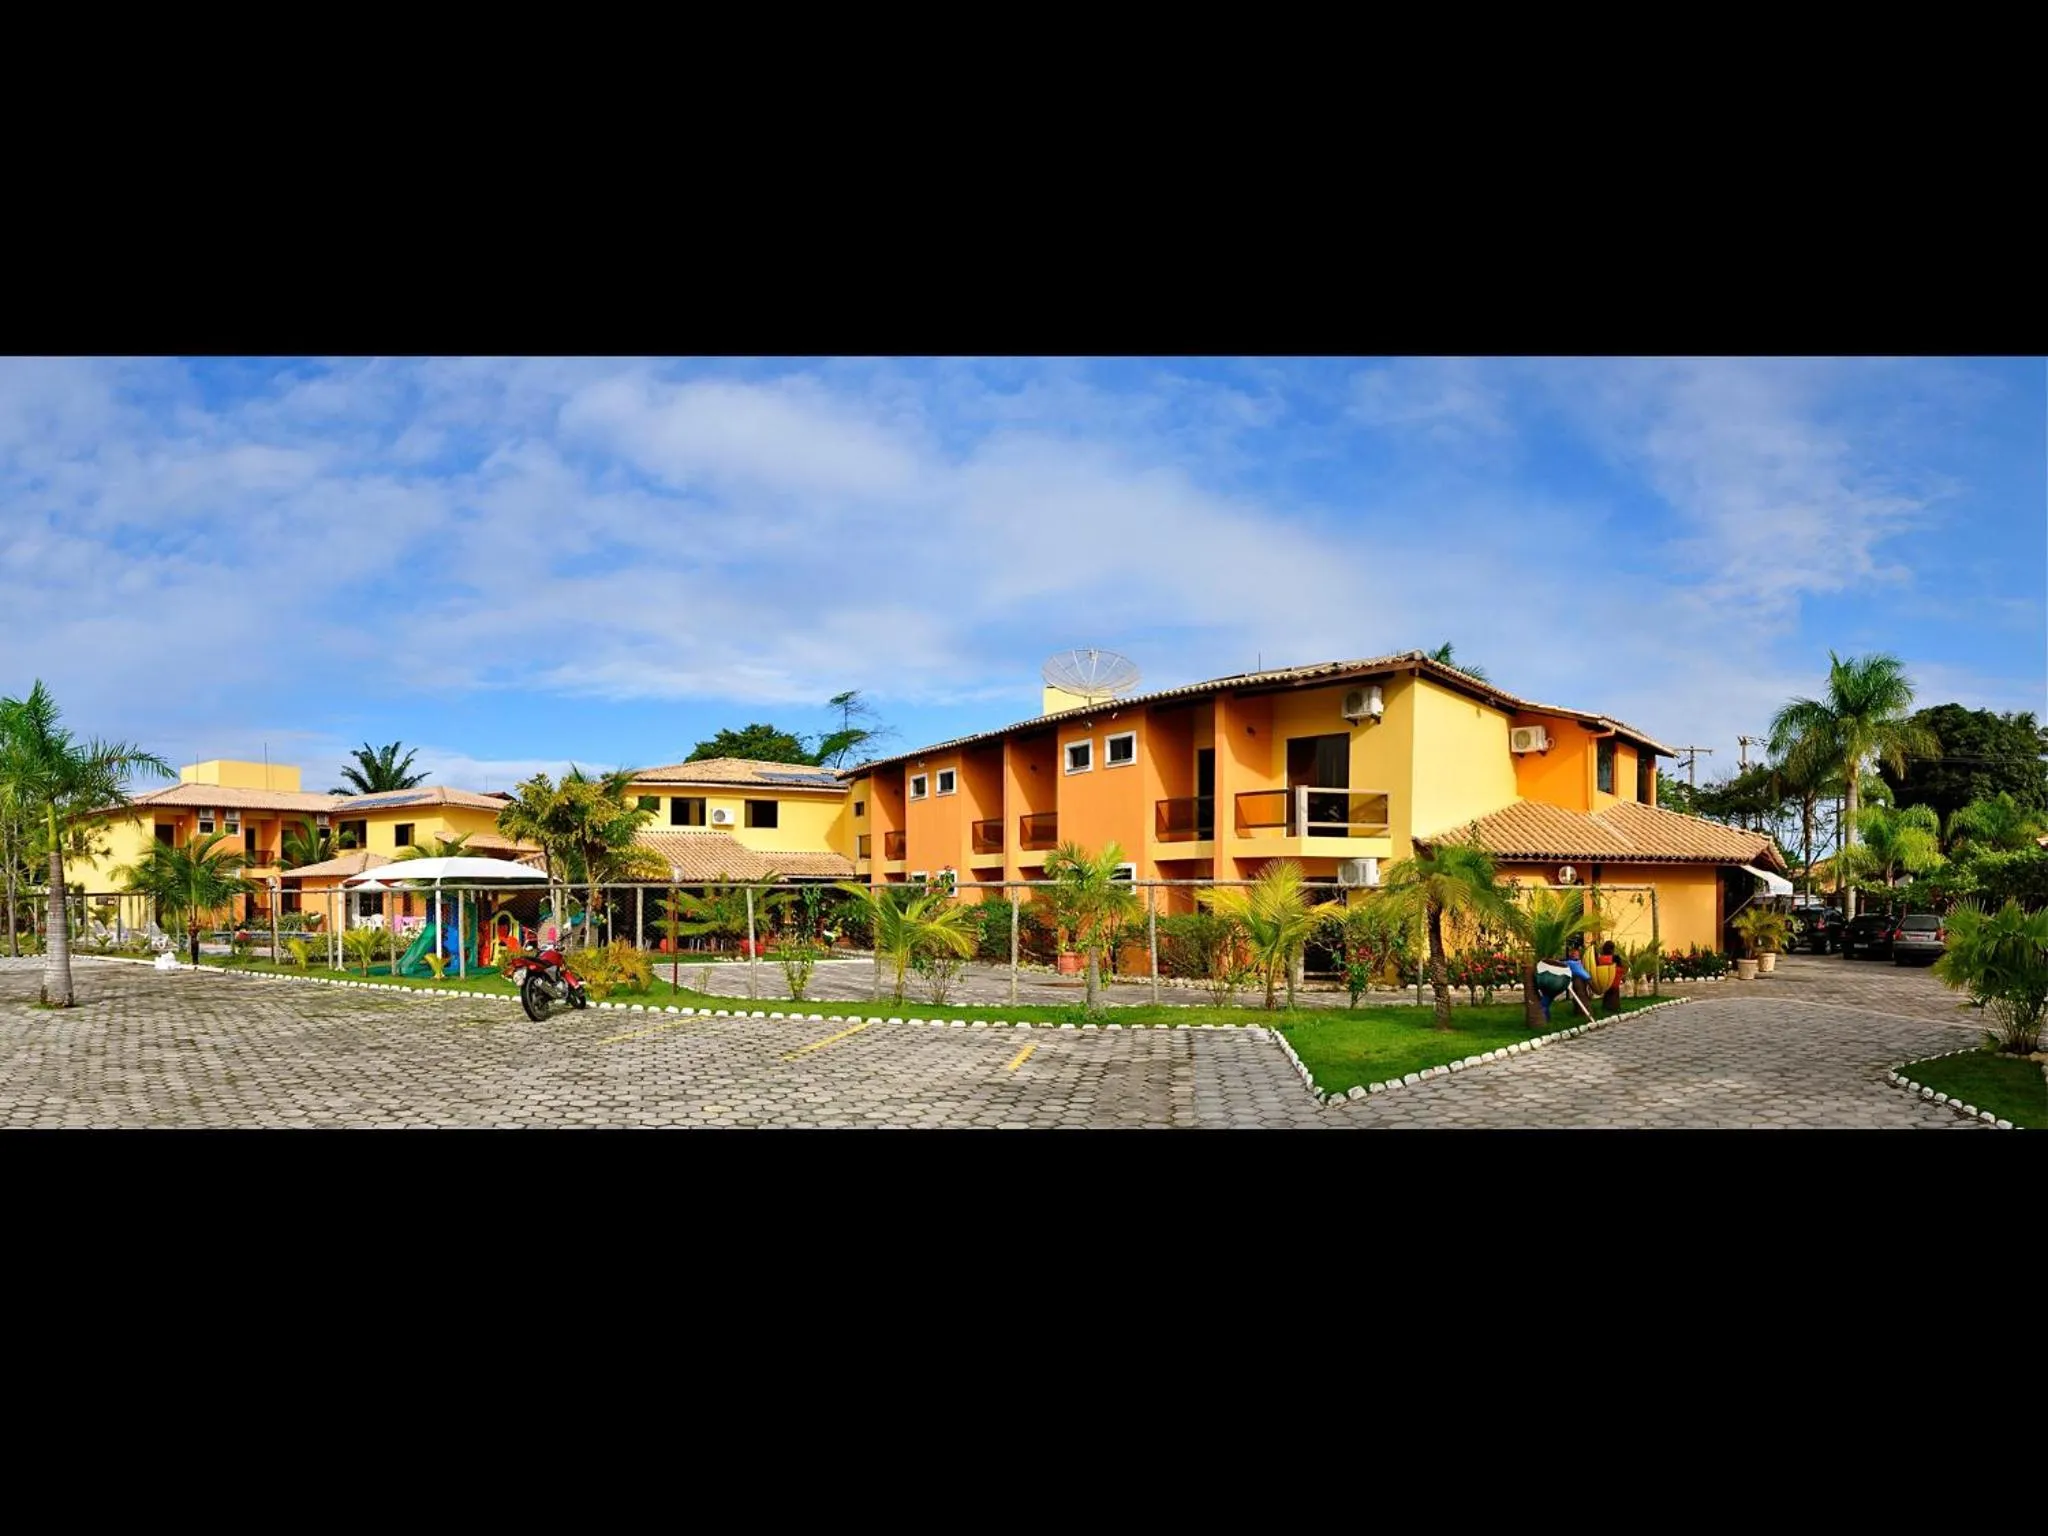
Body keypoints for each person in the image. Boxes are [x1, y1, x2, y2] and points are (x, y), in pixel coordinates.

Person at [1597, 939, 1626, 1015]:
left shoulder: (1600, 958)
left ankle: (1605, 1008)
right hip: (1614, 980)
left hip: (1604, 980)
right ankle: (1614, 1008)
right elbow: (1621, 968)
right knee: (1614, 994)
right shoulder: (1615, 957)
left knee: (1607, 994)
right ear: (1612, 949)